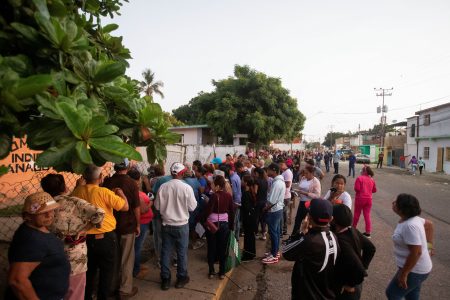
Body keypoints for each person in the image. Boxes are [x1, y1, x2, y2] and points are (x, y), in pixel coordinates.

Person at [41, 174, 105, 300]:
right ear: (64, 187)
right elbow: (99, 213)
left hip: (50, 257)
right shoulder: (75, 202)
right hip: (75, 258)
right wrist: (87, 228)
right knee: (74, 292)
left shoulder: (43, 206)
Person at [72, 164, 129, 300]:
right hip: (106, 238)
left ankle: (87, 296)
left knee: (89, 271)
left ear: (84, 177)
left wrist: (77, 186)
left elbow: (72, 200)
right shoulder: (104, 192)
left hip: (85, 239)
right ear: (101, 177)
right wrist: (120, 193)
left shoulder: (77, 192)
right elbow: (125, 207)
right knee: (106, 272)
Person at [6, 192, 70, 300]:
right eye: (42, 212)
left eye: (51, 209)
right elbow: (17, 280)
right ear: (28, 216)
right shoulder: (32, 239)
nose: (49, 215)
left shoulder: (37, 229)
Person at [282, 198, 339, 300]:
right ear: (331, 219)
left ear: (309, 217)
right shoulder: (333, 236)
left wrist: (301, 233)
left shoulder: (308, 240)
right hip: (325, 292)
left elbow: (286, 251)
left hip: (308, 294)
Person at [155, 162, 197, 291]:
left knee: (166, 252)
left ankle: (165, 280)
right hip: (181, 225)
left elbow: (157, 207)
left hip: (166, 224)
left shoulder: (163, 187)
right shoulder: (186, 188)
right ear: (182, 173)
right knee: (181, 253)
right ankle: (181, 278)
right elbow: (193, 207)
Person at [103, 159, 140, 298]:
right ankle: (124, 289)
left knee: (114, 258)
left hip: (110, 227)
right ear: (127, 167)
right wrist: (137, 224)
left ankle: (111, 287)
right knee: (127, 259)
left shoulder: (107, 182)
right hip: (127, 226)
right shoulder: (131, 183)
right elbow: (136, 207)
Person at [386, 194, 434, 300]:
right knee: (412, 295)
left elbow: (416, 253)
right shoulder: (413, 219)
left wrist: (404, 274)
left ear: (402, 209)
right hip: (417, 268)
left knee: (393, 293)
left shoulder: (410, 225)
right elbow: (429, 224)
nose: (393, 203)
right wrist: (429, 247)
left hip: (415, 269)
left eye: (396, 202)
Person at [332, 204, 376, 300]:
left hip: (347, 288)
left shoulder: (341, 241)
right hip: (355, 282)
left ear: (334, 220)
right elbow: (370, 248)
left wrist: (351, 284)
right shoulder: (352, 229)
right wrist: (364, 265)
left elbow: (359, 271)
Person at [202, 175, 235, 278]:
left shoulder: (213, 196)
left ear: (216, 185)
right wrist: (231, 226)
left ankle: (211, 271)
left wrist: (202, 220)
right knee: (222, 248)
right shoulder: (228, 196)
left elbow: (208, 211)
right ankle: (221, 272)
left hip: (212, 226)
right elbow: (232, 212)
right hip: (224, 225)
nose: (211, 185)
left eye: (212, 183)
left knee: (211, 248)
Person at [127, 168, 153, 279]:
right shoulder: (136, 193)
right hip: (141, 223)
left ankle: (134, 267)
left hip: (136, 222)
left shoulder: (126, 190)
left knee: (133, 247)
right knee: (136, 247)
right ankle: (135, 269)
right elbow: (143, 210)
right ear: (137, 180)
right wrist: (151, 202)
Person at [262, 163, 286, 264]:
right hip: (277, 210)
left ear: (274, 171)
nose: (267, 172)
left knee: (273, 233)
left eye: (269, 170)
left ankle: (274, 255)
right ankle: (274, 251)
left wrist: (265, 209)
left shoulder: (277, 183)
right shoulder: (278, 181)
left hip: (274, 210)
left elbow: (272, 201)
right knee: (275, 232)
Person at [291, 165, 321, 236]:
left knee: (307, 222)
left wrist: (305, 193)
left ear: (312, 173)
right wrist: (297, 192)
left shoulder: (316, 181)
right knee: (297, 220)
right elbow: (300, 186)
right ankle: (294, 236)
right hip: (301, 202)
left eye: (307, 173)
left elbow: (317, 195)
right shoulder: (303, 178)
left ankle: (305, 237)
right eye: (304, 172)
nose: (305, 174)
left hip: (309, 204)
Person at [352, 166, 376, 238]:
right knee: (367, 215)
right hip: (369, 199)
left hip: (360, 198)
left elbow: (357, 189)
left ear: (364, 171)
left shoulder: (359, 178)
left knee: (357, 214)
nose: (361, 171)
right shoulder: (372, 180)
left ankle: (353, 229)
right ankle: (368, 232)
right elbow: (374, 190)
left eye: (362, 170)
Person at [241, 175, 257, 261]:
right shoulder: (251, 192)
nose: (241, 181)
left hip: (248, 218)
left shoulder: (246, 193)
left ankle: (248, 255)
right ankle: (251, 253)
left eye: (242, 180)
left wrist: (240, 206)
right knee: (250, 236)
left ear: (246, 183)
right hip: (251, 217)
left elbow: (246, 207)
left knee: (248, 237)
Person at [253, 167, 269, 240]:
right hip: (264, 201)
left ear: (257, 173)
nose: (254, 174)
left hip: (258, 201)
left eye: (255, 173)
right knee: (263, 218)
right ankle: (264, 234)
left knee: (256, 218)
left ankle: (256, 233)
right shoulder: (265, 181)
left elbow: (255, 192)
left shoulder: (256, 181)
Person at [280, 160, 293, 236]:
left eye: (282, 164)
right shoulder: (285, 171)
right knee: (283, 213)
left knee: (282, 213)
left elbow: (288, 184)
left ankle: (282, 230)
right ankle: (283, 229)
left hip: (285, 196)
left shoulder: (287, 172)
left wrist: (278, 182)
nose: (280, 166)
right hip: (284, 195)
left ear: (286, 165)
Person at [229, 165, 242, 241]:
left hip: (235, 201)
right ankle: (237, 237)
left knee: (234, 220)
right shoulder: (237, 176)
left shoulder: (233, 178)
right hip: (238, 199)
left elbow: (233, 191)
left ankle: (234, 238)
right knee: (237, 219)